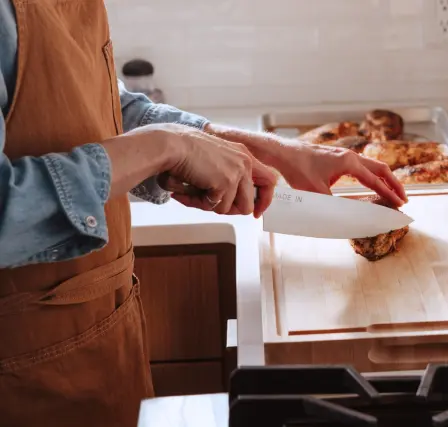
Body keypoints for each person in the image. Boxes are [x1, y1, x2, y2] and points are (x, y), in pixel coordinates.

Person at [0, 0, 407, 425]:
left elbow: (101, 108)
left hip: (101, 343)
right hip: (21, 379)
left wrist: (271, 150)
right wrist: (167, 147)